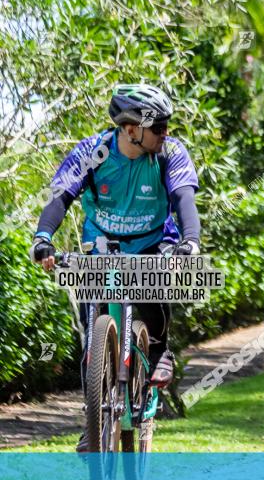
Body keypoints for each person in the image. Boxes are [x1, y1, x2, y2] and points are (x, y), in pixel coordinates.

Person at [29, 84, 201, 451]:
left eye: (167, 126)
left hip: (153, 238)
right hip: (102, 242)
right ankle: (94, 418)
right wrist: (43, 237)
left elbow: (184, 199)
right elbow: (60, 197)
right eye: (158, 127)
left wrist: (191, 242)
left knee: (153, 281)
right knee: (95, 329)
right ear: (130, 129)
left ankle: (157, 352)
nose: (165, 133)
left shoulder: (169, 153)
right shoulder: (93, 153)